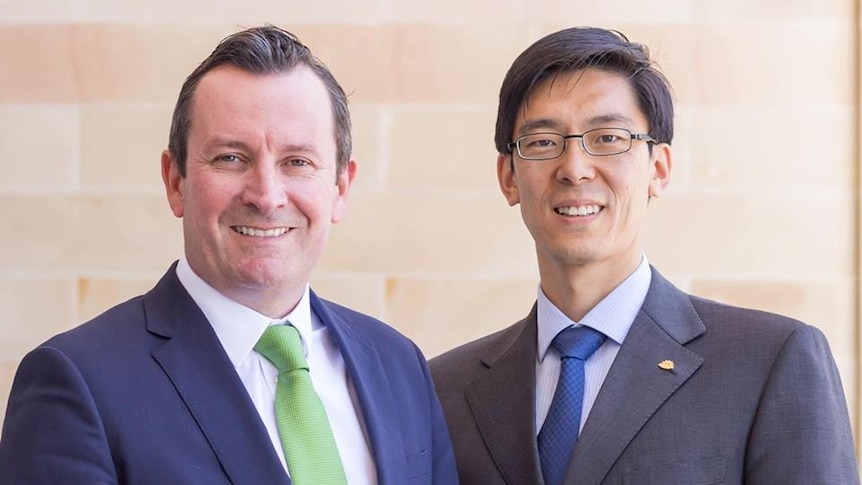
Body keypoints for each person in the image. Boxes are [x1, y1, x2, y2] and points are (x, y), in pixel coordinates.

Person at [0, 25, 457, 485]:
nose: (266, 195)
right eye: (230, 158)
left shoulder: (399, 366)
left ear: (340, 188)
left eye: (297, 162)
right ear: (175, 181)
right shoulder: (78, 384)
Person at [430, 26, 858, 485]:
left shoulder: (771, 362)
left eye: (609, 138)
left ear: (658, 168)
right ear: (508, 177)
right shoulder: (443, 388)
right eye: (542, 143)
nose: (574, 169)